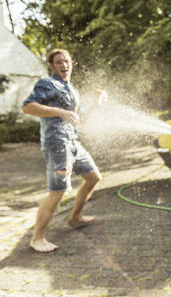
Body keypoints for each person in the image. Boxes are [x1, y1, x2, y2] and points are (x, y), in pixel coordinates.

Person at [23, 49, 106, 252]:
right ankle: (37, 238)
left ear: (71, 63)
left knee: (94, 177)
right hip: (57, 144)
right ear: (52, 65)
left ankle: (75, 217)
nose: (64, 65)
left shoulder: (71, 88)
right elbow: (28, 107)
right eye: (59, 62)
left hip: (73, 142)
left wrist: (96, 104)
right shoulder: (48, 84)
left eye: (67, 61)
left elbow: (79, 119)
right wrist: (59, 112)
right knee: (57, 191)